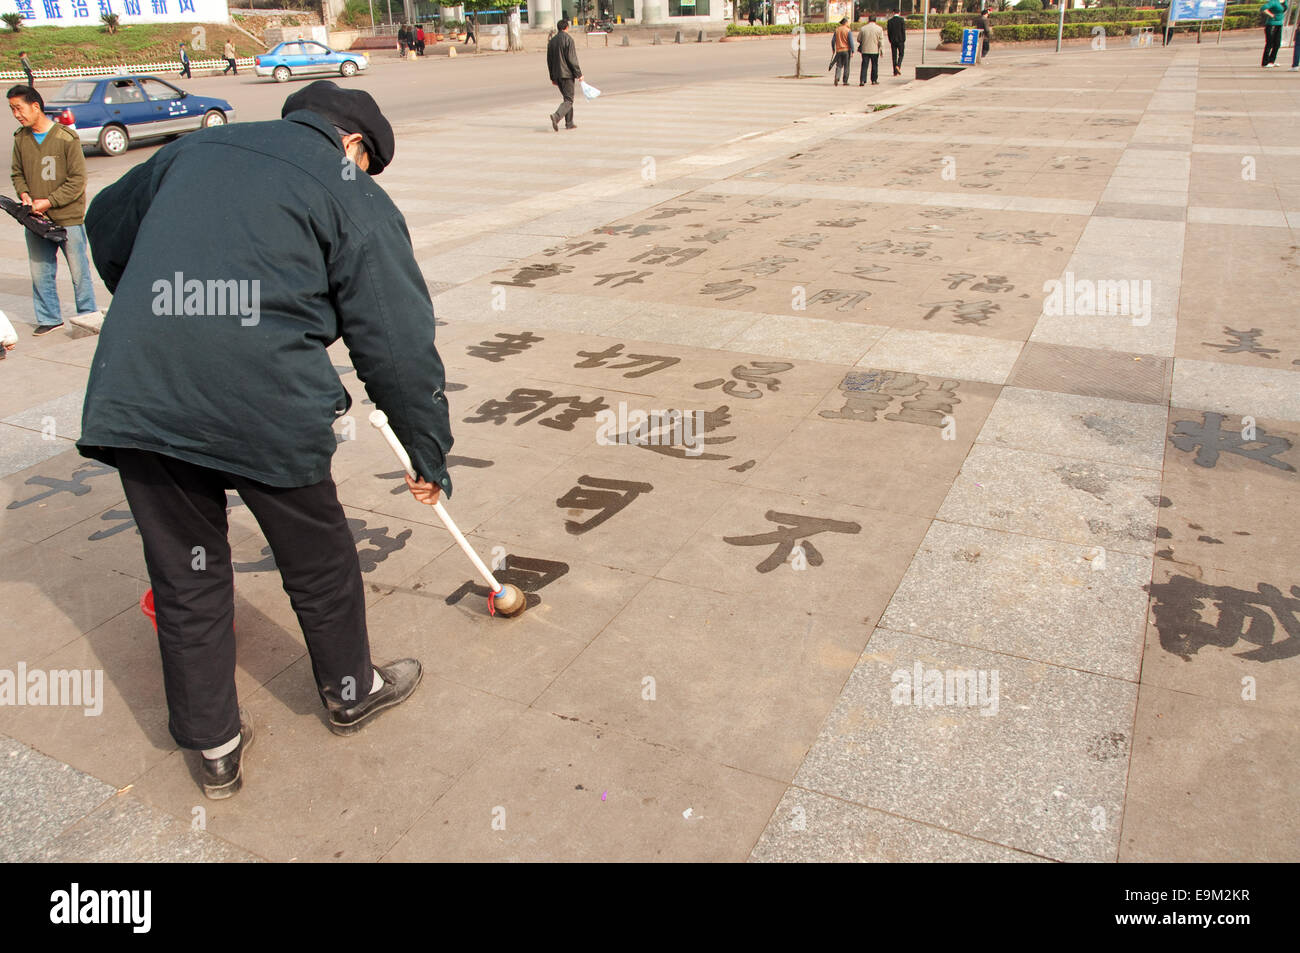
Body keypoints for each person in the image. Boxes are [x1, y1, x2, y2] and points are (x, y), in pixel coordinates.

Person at [77, 80, 451, 800]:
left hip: (141, 394)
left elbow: (102, 222)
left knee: (187, 577)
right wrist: (426, 449)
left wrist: (160, 311)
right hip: (263, 402)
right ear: (353, 145)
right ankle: (350, 689)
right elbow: (397, 343)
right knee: (319, 559)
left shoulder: (196, 148)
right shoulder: (349, 188)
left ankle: (214, 748)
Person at [8, 85, 101, 336]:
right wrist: (25, 194)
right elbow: (17, 173)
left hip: (67, 217)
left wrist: (47, 202)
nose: (16, 114)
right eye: (12, 109)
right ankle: (49, 317)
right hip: (35, 220)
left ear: (35, 106)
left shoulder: (65, 138)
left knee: (79, 271)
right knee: (40, 271)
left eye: (19, 108)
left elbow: (76, 181)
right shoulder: (21, 139)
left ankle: (88, 314)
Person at [547, 19, 583, 131]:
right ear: (567, 27)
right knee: (569, 99)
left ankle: (569, 123)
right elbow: (572, 59)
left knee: (567, 98)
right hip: (567, 74)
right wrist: (579, 74)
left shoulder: (552, 41)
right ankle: (556, 116)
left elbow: (549, 61)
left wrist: (552, 77)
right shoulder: (568, 39)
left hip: (557, 74)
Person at [859, 15, 884, 86]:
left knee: (864, 65)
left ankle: (862, 80)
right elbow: (881, 41)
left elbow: (859, 39)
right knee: (874, 65)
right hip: (875, 50)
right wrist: (882, 51)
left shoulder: (863, 28)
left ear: (868, 20)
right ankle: (874, 80)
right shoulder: (879, 29)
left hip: (865, 50)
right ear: (875, 20)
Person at [1261, 0, 1287, 67]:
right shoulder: (1274, 1)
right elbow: (1263, 8)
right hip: (1272, 24)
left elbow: (1284, 9)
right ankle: (1265, 62)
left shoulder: (1285, 1)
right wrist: (1272, 15)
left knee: (1277, 44)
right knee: (1270, 43)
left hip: (1279, 24)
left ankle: (1271, 61)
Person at [830, 17, 854, 87]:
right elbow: (851, 41)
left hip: (838, 50)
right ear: (845, 22)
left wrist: (833, 48)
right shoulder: (848, 30)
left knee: (839, 65)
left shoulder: (837, 30)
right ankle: (845, 81)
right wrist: (852, 50)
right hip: (846, 50)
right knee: (846, 66)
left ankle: (837, 77)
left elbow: (833, 41)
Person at [886, 11, 906, 76]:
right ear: (899, 12)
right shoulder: (901, 20)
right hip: (900, 40)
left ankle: (895, 72)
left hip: (893, 41)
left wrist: (890, 40)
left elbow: (889, 32)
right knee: (901, 54)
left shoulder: (890, 21)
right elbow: (903, 30)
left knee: (894, 56)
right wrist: (904, 39)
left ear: (893, 13)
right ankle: (898, 65)